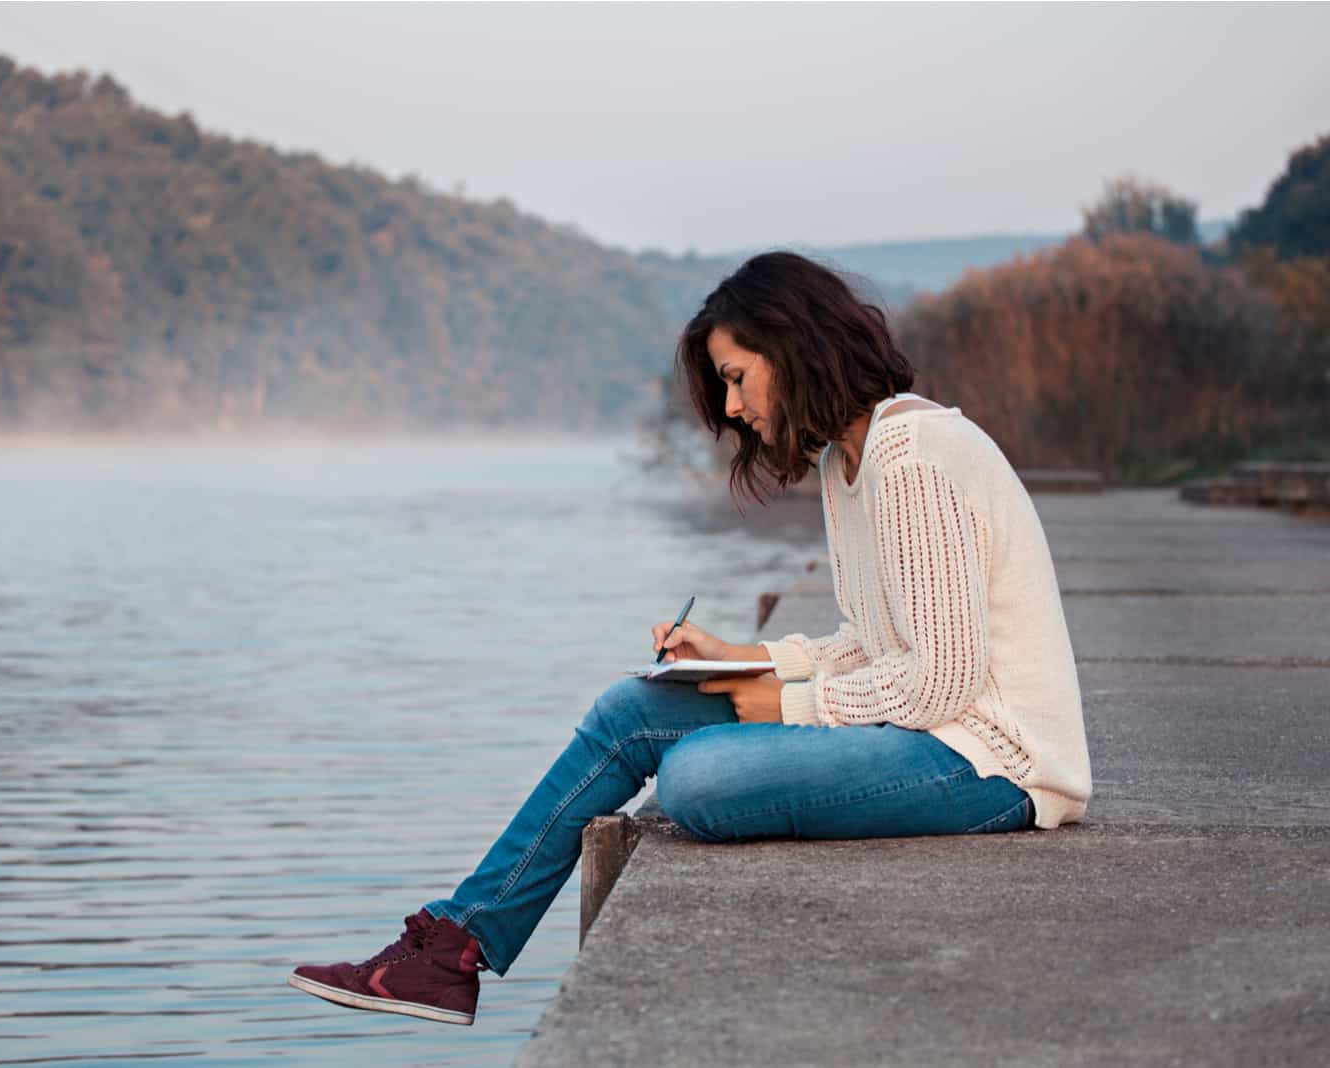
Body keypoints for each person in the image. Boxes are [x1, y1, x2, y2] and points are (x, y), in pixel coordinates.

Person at [286, 251, 1092, 1026]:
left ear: (795, 347)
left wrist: (784, 702)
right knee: (631, 708)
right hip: (932, 739)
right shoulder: (848, 461)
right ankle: (455, 946)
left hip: (992, 763)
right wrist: (741, 658)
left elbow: (942, 680)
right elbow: (874, 643)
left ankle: (458, 947)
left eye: (737, 378)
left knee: (697, 779)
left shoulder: (910, 455)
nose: (734, 407)